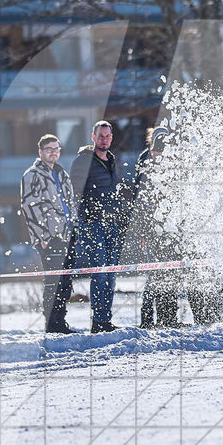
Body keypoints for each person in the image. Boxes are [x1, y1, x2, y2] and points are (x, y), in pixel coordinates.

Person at [70, 120, 129, 333]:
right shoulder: (82, 161)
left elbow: (114, 194)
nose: (104, 139)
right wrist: (85, 215)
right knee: (100, 273)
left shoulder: (113, 161)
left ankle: (106, 320)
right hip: (92, 224)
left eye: (107, 136)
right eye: (100, 136)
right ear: (93, 137)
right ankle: (98, 322)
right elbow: (74, 193)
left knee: (111, 274)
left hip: (112, 225)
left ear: (111, 139)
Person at [20, 134, 77, 333]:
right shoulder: (32, 174)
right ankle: (52, 325)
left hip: (67, 234)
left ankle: (61, 322)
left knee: (65, 282)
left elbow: (70, 203)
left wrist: (74, 227)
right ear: (40, 152)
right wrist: (43, 237)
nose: (53, 152)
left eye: (56, 148)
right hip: (49, 237)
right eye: (49, 149)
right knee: (53, 282)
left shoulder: (62, 173)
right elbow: (29, 207)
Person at [133, 126, 180, 329]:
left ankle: (168, 317)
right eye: (156, 153)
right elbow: (139, 200)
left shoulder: (173, 161)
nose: (158, 157)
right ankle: (147, 319)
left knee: (171, 273)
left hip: (171, 228)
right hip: (151, 228)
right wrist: (142, 231)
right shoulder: (144, 164)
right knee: (155, 274)